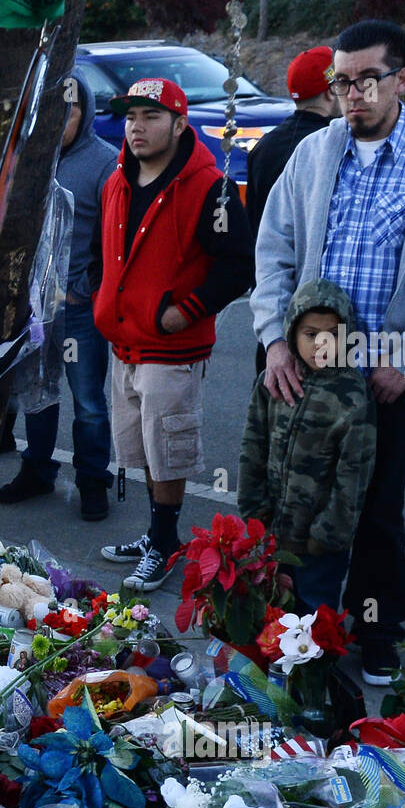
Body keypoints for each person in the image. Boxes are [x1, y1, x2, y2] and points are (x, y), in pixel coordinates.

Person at [252, 19, 405, 685]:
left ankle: (378, 632)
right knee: (306, 505)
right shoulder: (315, 153)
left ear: (403, 78)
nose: (352, 94)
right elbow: (274, 249)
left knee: (378, 510)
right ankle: (306, 632)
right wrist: (274, 339)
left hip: (386, 376)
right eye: (342, 81)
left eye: (366, 80)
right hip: (312, 373)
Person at [93, 80, 254, 591]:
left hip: (171, 347)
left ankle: (164, 543)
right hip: (123, 340)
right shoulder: (117, 179)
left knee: (168, 448)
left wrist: (185, 311)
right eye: (131, 116)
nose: (136, 126)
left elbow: (237, 266)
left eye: (150, 116)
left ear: (180, 124)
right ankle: (157, 535)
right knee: (141, 446)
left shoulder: (213, 187)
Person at [0, 67, 118, 521]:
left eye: (69, 114)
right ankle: (37, 470)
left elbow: (114, 239)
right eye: (52, 114)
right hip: (33, 307)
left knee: (87, 399)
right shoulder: (31, 159)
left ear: (85, 114)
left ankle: (92, 480)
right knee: (36, 393)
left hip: (80, 307)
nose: (60, 122)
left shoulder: (106, 163)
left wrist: (90, 289)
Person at [238, 279, 376, 612]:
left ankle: (316, 665)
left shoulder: (353, 397)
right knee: (268, 612)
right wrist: (253, 509)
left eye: (332, 334)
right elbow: (252, 447)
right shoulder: (274, 382)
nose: (322, 344)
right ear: (291, 333)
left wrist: (325, 536)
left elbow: (353, 477)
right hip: (270, 534)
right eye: (311, 334)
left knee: (315, 619)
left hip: (319, 547)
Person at [245, 46, 339, 375]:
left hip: (272, 304)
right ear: (332, 90)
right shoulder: (331, 147)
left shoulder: (264, 147)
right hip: (320, 308)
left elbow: (255, 229)